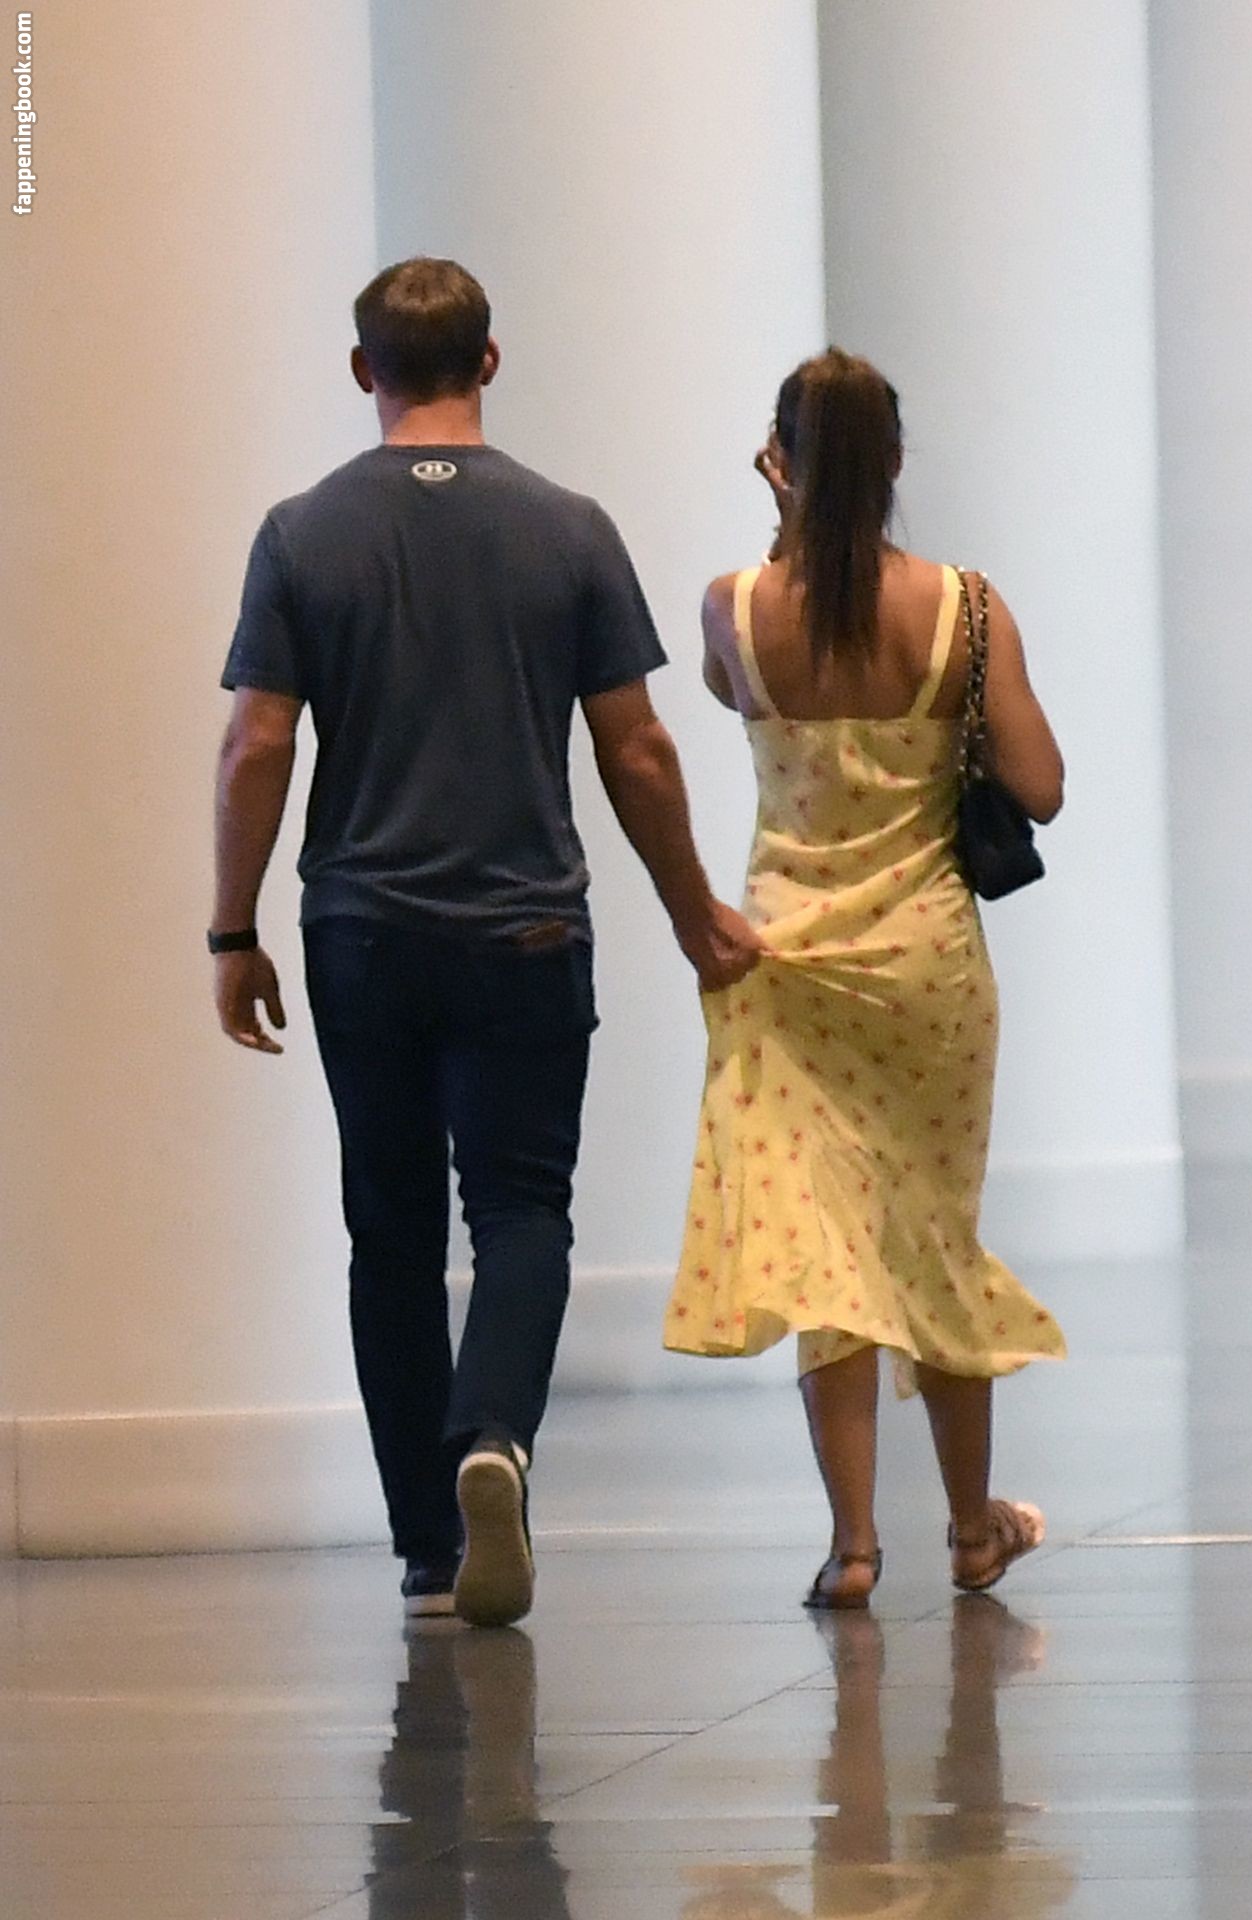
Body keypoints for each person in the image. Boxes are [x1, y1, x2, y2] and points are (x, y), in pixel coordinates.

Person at [211, 257, 758, 1629]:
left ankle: (427, 1549)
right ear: (491, 361)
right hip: (525, 925)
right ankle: (493, 1439)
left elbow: (257, 742)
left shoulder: (300, 534)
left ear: (363, 371)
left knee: (388, 1231)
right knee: (520, 1211)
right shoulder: (568, 528)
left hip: (361, 929)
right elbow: (637, 747)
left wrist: (232, 927)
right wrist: (692, 908)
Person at [664, 349, 1066, 1608]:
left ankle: (851, 1545)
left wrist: (787, 527)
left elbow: (731, 691)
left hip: (783, 965)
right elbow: (1041, 786)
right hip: (924, 969)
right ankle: (969, 1529)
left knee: (817, 1256)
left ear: (778, 461)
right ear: (893, 460)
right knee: (932, 1236)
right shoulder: (961, 608)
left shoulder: (733, 607)